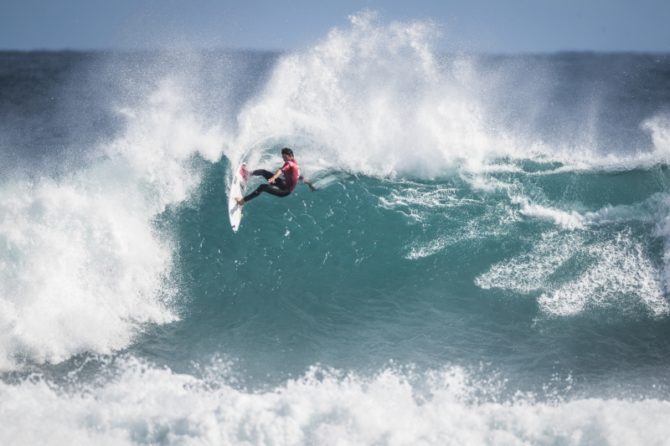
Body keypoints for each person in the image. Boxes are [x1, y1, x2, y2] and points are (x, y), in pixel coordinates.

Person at [235, 147, 316, 205]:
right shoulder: (296, 165)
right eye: (283, 156)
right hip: (283, 184)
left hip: (284, 191)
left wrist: (274, 177)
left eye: (285, 157)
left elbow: (280, 170)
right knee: (263, 172)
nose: (284, 159)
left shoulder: (289, 163)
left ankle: (242, 201)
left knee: (263, 187)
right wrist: (310, 184)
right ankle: (247, 174)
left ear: (291, 156)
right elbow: (300, 177)